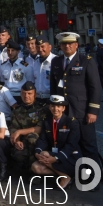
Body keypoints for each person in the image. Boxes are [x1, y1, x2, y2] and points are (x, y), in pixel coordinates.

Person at [50, 32, 102, 177]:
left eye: (70, 43)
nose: (67, 46)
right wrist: (54, 108)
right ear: (60, 46)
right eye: (64, 44)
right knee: (67, 144)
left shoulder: (87, 60)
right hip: (64, 111)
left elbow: (95, 87)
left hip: (82, 111)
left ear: (76, 45)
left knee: (88, 145)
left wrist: (93, 110)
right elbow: (54, 86)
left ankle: (93, 178)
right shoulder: (56, 61)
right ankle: (71, 174)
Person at [32, 95, 81, 191]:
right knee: (35, 167)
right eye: (53, 106)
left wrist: (56, 158)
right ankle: (65, 175)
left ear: (63, 108)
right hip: (54, 155)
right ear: (49, 107)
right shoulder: (47, 122)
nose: (55, 109)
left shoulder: (71, 122)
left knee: (45, 158)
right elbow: (43, 140)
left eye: (59, 106)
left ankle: (66, 177)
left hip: (69, 157)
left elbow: (71, 145)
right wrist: (37, 153)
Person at [8, 81, 46, 170]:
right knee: (17, 155)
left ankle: (34, 172)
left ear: (35, 94)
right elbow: (13, 128)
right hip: (23, 141)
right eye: (24, 93)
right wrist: (17, 140)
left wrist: (20, 132)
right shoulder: (16, 111)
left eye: (29, 93)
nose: (26, 96)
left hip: (39, 142)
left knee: (32, 138)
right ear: (20, 94)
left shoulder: (42, 109)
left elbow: (40, 128)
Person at [34, 35, 55, 104]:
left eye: (43, 46)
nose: (40, 49)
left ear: (50, 47)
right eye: (37, 47)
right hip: (37, 99)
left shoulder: (56, 61)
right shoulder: (36, 62)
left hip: (51, 99)